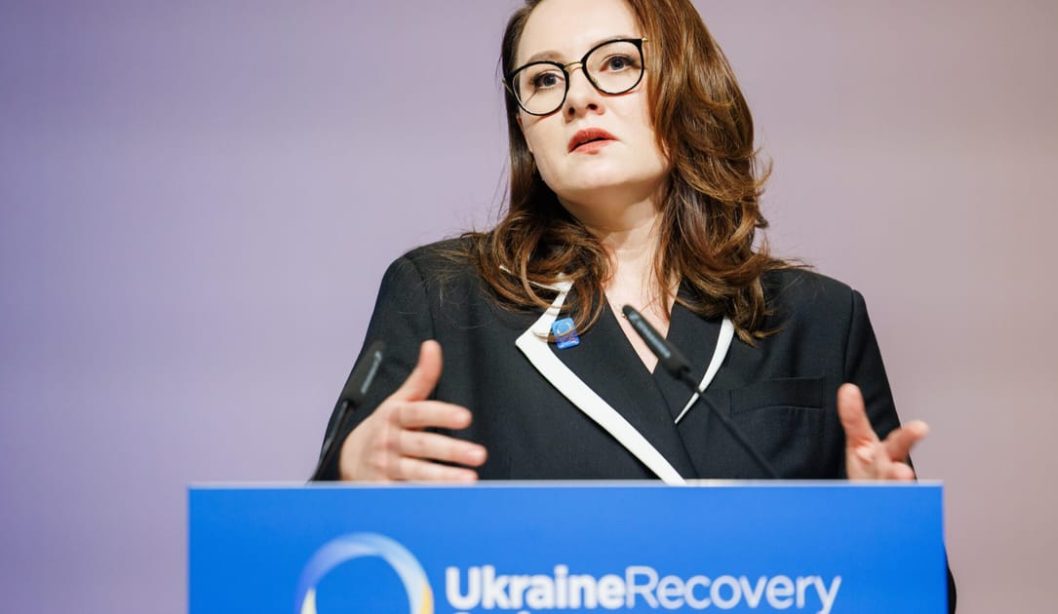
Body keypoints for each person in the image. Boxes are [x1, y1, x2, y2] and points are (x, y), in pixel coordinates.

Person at [319, 0, 956, 606]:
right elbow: (320, 568)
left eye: (617, 62)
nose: (578, 98)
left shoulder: (817, 318)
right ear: (525, 133)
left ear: (686, 85)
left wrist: (887, 537)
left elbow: (926, 597)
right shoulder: (444, 296)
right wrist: (351, 479)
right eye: (544, 80)